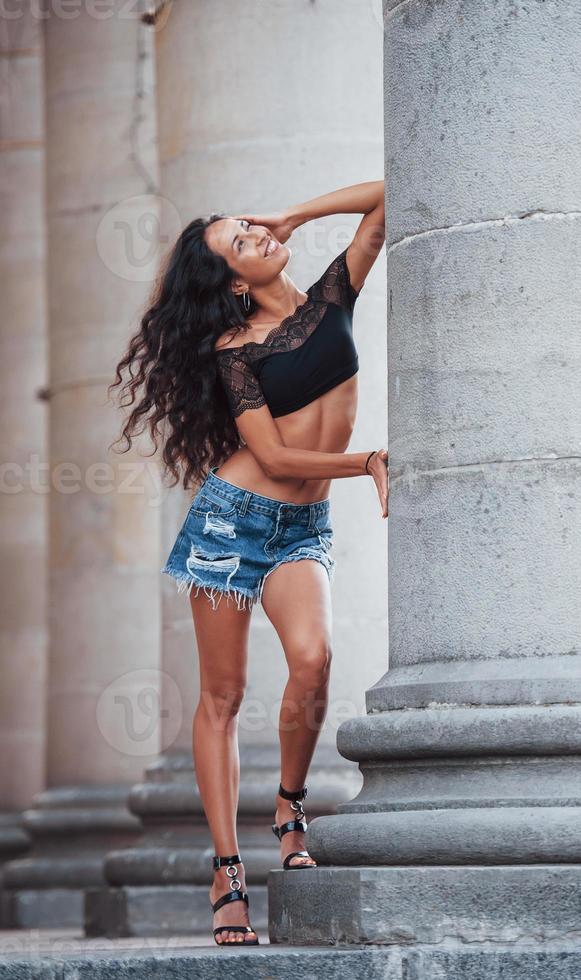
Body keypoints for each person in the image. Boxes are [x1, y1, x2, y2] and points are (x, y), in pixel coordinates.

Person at [110, 179, 388, 947]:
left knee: (313, 659)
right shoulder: (237, 352)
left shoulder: (332, 298)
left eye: (249, 225)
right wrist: (366, 460)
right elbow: (266, 453)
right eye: (242, 242)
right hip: (230, 525)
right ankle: (227, 870)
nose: (257, 236)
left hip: (300, 525)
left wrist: (296, 213)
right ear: (234, 281)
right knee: (223, 697)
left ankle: (289, 806)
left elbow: (391, 198)